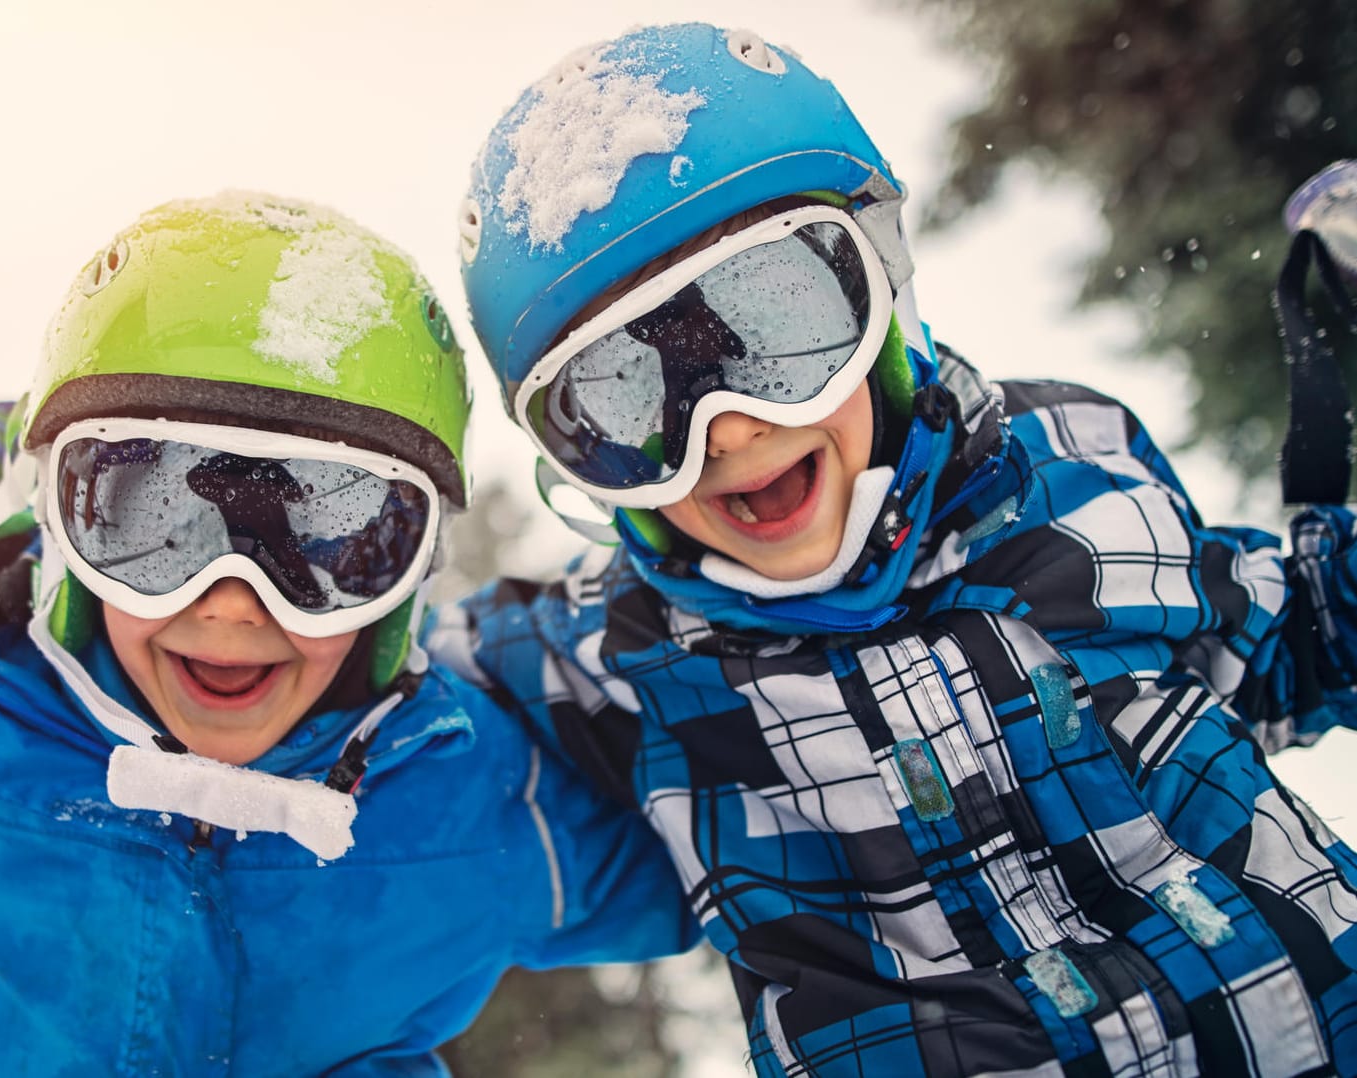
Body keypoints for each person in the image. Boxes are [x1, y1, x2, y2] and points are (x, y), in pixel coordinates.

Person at [433, 22, 1357, 1077]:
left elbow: (1297, 632)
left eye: (776, 326)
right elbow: (370, 695)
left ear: (882, 290)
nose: (725, 427)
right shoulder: (614, 653)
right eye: (628, 395)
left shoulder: (1071, 470)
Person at [0, 192, 695, 1075]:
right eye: (155, 523)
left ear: (401, 585)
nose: (233, 602)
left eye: (330, 544)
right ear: (65, 539)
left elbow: (725, 867)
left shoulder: (478, 803)